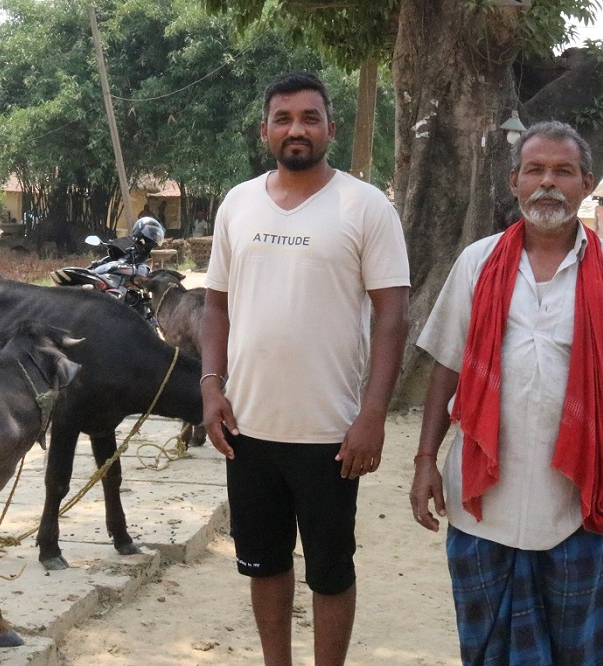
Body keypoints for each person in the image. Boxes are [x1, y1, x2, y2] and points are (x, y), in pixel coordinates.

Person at [409, 120, 603, 665]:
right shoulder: (477, 263)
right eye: (534, 170)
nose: (547, 183)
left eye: (563, 171)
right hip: (481, 501)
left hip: (576, 500)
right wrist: (425, 460)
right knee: (486, 645)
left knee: (574, 647)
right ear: (514, 182)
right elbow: (446, 366)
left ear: (587, 183)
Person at [201, 71, 410, 666]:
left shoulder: (366, 207)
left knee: (330, 572)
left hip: (330, 433)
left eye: (310, 118)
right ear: (265, 129)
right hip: (248, 427)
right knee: (263, 564)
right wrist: (210, 387)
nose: (297, 129)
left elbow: (392, 318)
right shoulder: (237, 203)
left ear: (330, 129)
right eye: (284, 118)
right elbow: (215, 304)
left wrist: (372, 416)